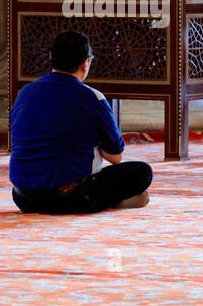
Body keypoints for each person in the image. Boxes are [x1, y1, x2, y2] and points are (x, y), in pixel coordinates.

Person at [9, 31, 154, 215]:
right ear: (86, 63)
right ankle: (107, 201)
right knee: (142, 172)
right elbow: (115, 157)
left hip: (23, 197)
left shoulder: (25, 93)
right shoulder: (93, 97)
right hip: (69, 196)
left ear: (51, 57)